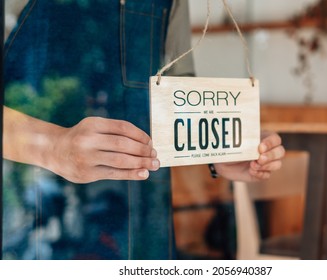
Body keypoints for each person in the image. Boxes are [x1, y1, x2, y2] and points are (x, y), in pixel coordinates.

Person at [3, 0, 284, 259]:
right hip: (30, 223)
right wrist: (52, 146)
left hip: (146, 226)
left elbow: (175, 90)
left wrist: (216, 148)